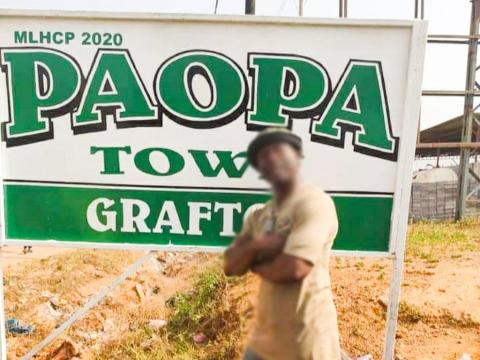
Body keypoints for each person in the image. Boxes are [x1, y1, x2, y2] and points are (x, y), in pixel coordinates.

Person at [224, 128, 341, 360]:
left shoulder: (314, 203)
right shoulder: (263, 213)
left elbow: (295, 267)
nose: (272, 160)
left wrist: (256, 264)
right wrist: (257, 246)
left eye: (279, 151)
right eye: (264, 157)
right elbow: (231, 266)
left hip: (307, 340)